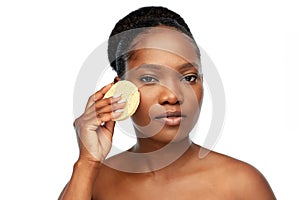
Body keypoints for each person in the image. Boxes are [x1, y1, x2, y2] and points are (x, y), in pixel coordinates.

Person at [59, 6, 276, 199]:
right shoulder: (93, 182)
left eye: (189, 77)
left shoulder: (242, 184)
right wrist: (87, 163)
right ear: (121, 90)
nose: (172, 96)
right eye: (149, 79)